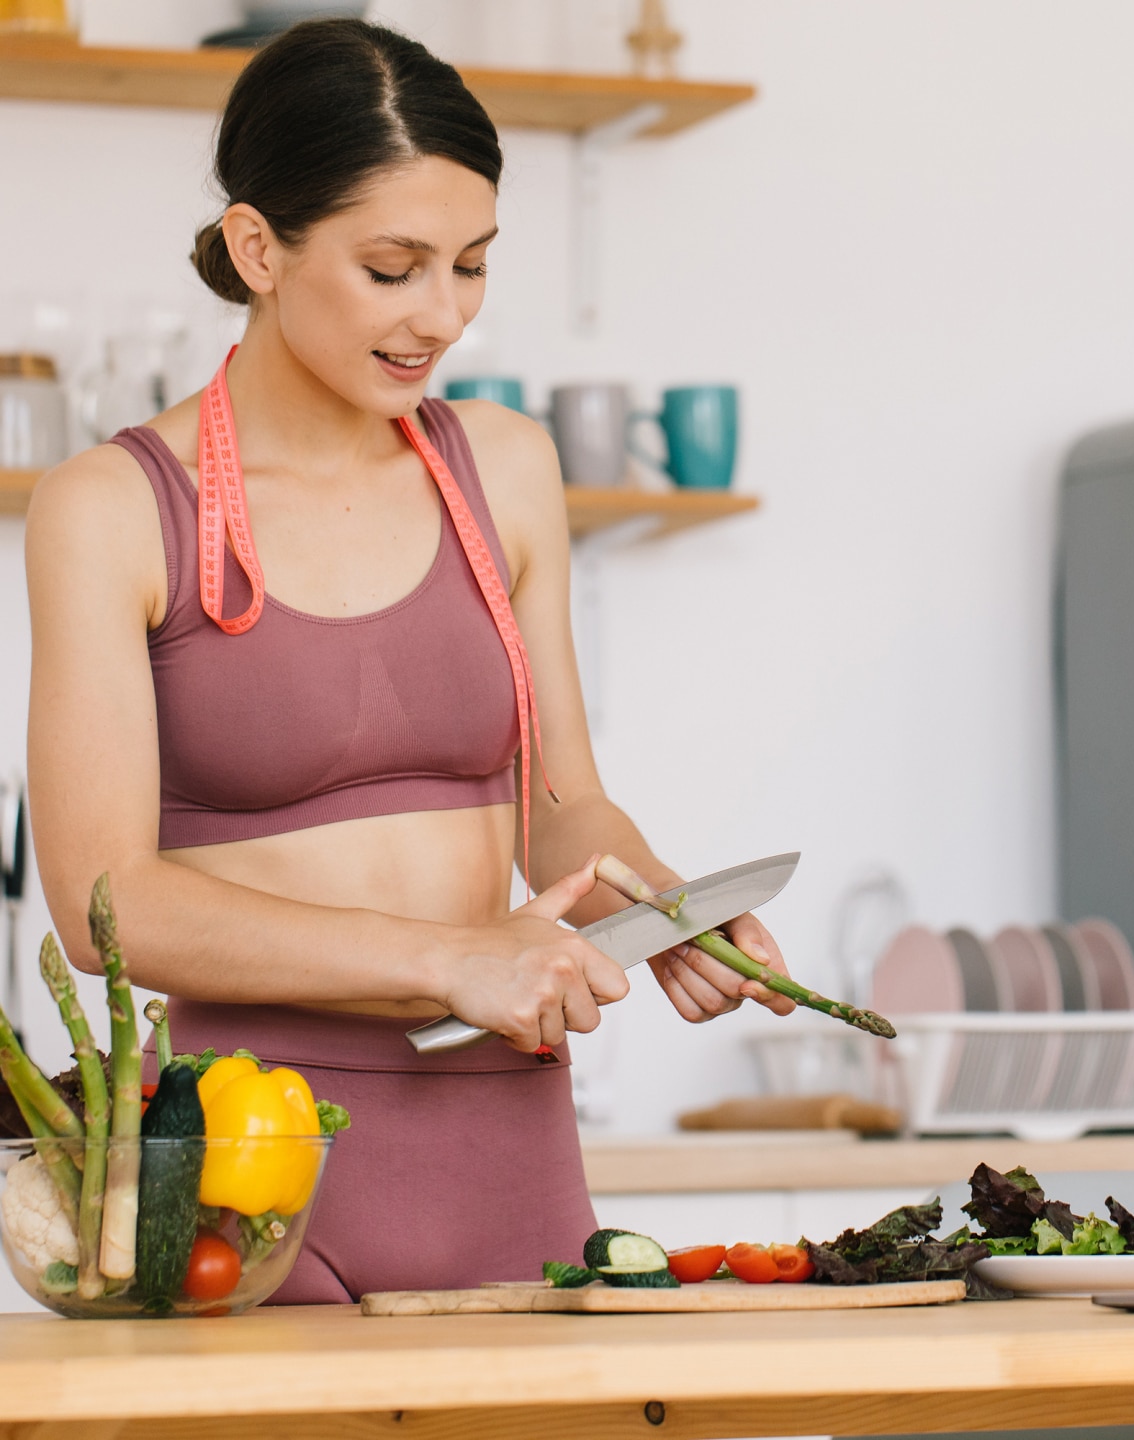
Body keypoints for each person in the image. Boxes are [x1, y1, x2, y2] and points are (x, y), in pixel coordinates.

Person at [23, 17, 792, 1303]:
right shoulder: (111, 509)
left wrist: (666, 911)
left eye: (472, 266)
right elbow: (107, 909)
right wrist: (449, 958)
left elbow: (560, 813)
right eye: (393, 268)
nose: (441, 316)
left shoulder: (506, 466)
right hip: (248, 1168)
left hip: (515, 1146)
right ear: (260, 247)